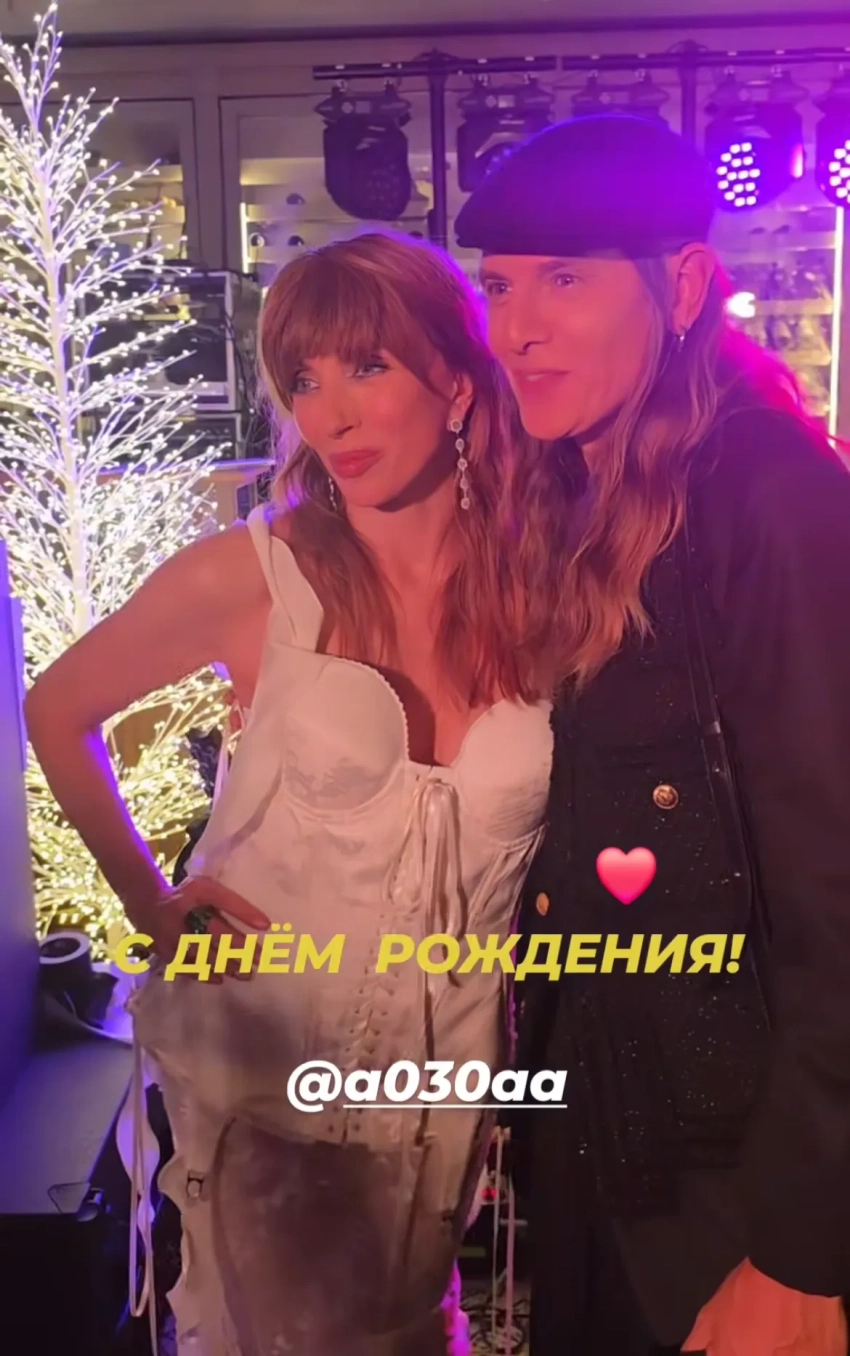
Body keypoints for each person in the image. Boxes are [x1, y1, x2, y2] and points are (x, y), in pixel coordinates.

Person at [23, 231, 555, 1356]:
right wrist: (151, 903)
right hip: (268, 1060)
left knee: (407, 1324)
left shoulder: (542, 583)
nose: (331, 415)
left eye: (366, 366)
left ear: (458, 384)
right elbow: (55, 709)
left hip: (446, 1070)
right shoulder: (254, 575)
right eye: (302, 380)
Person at [455, 114, 850, 1356]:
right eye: (499, 287)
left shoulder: (770, 501)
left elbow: (840, 891)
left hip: (737, 1184)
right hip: (608, 1140)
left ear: (680, 287)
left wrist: (802, 1247)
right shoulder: (582, 495)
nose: (517, 328)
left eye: (564, 281)